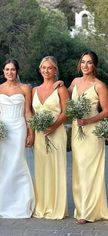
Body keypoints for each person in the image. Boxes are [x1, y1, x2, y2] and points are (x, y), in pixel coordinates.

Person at [69, 51, 108, 224]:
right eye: (83, 62)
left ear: (94, 65)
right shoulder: (75, 82)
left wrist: (88, 120)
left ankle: (88, 211)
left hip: (92, 132)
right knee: (79, 170)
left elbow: (106, 111)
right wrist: (59, 84)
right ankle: (81, 207)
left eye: (89, 62)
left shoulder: (99, 86)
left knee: (90, 171)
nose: (85, 65)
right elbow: (64, 99)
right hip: (78, 133)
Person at [0, 59, 35, 218]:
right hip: (3, 129)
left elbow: (28, 112)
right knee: (3, 164)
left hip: (19, 128)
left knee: (18, 163)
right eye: (7, 69)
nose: (9, 72)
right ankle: (2, 203)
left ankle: (22, 203)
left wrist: (31, 132)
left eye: (12, 69)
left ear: (17, 71)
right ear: (3, 71)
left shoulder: (25, 88)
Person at [32, 56, 69, 219]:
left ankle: (56, 207)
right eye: (43, 68)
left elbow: (66, 112)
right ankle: (42, 206)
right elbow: (32, 114)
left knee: (56, 167)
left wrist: (52, 127)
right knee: (41, 169)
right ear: (40, 69)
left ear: (55, 70)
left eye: (50, 68)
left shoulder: (60, 89)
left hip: (57, 133)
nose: (46, 71)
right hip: (40, 135)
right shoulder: (34, 90)